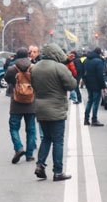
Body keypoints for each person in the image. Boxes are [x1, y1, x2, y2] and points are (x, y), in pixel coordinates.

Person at [31, 44, 77, 181]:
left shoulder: (35, 68)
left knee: (46, 138)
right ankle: (58, 172)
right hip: (56, 107)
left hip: (41, 108)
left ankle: (40, 165)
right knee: (58, 140)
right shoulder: (59, 68)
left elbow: (34, 85)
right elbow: (72, 85)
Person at [3, 47, 37, 164]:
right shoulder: (33, 68)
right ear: (28, 55)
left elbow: (7, 79)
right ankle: (29, 155)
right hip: (31, 102)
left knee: (14, 128)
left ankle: (18, 148)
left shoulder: (12, 69)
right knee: (31, 130)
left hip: (16, 103)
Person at [81, 48, 107, 126]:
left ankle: (86, 119)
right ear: (99, 53)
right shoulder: (99, 61)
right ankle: (94, 119)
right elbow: (100, 75)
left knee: (90, 101)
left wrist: (85, 82)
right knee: (96, 103)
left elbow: (83, 73)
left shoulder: (86, 60)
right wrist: (103, 86)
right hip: (96, 85)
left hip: (89, 84)